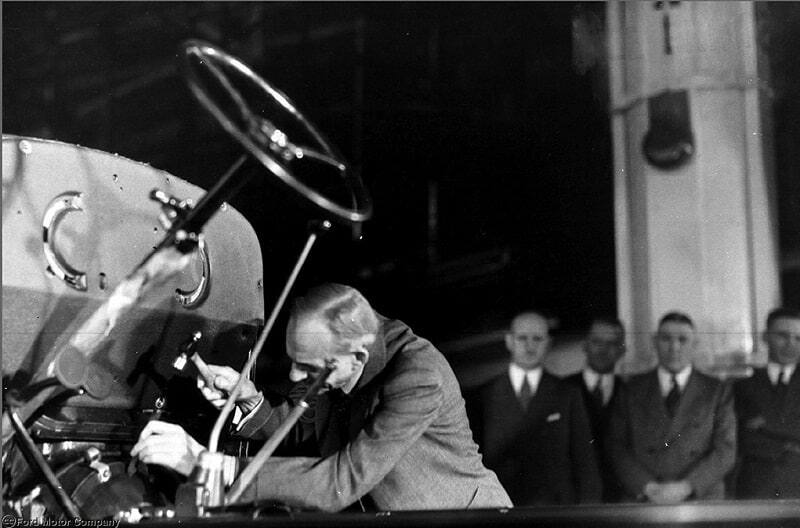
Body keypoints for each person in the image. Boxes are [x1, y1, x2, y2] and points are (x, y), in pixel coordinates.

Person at [131, 283, 512, 512]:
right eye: (294, 363)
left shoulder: (418, 375)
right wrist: (249, 400)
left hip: (465, 520)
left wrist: (209, 465)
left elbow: (341, 480)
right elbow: (307, 430)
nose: (296, 378)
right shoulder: (334, 357)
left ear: (357, 358)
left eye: (309, 369)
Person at [465, 311, 602, 506]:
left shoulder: (568, 394)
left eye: (537, 338)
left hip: (557, 511)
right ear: (509, 341)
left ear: (548, 343)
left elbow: (586, 463)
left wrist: (589, 512)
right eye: (522, 338)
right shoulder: (483, 396)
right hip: (501, 508)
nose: (530, 346)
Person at [607, 312, 736, 503]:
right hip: (644, 498)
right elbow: (616, 446)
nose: (674, 347)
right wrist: (648, 487)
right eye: (666, 339)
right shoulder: (631, 389)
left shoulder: (716, 390)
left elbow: (726, 450)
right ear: (655, 342)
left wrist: (686, 487)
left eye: (683, 340)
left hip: (699, 497)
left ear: (695, 344)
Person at [734, 307, 800, 499]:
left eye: (798, 338)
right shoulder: (742, 386)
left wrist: (765, 425)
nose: (790, 344)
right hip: (756, 488)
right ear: (765, 337)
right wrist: (792, 444)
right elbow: (741, 438)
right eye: (783, 336)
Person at [563, 316, 626, 502]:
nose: (603, 350)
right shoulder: (562, 390)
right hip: (574, 502)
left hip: (621, 502)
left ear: (622, 349)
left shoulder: (631, 393)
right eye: (597, 341)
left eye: (612, 343)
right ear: (585, 344)